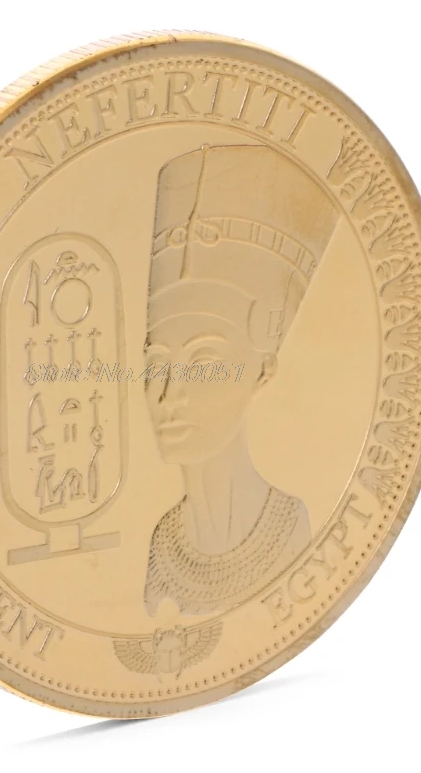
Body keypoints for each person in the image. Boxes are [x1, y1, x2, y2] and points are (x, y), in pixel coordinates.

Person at [143, 144, 340, 616]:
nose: (168, 396)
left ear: (263, 371)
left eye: (203, 363)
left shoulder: (290, 527)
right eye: (155, 366)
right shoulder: (161, 544)